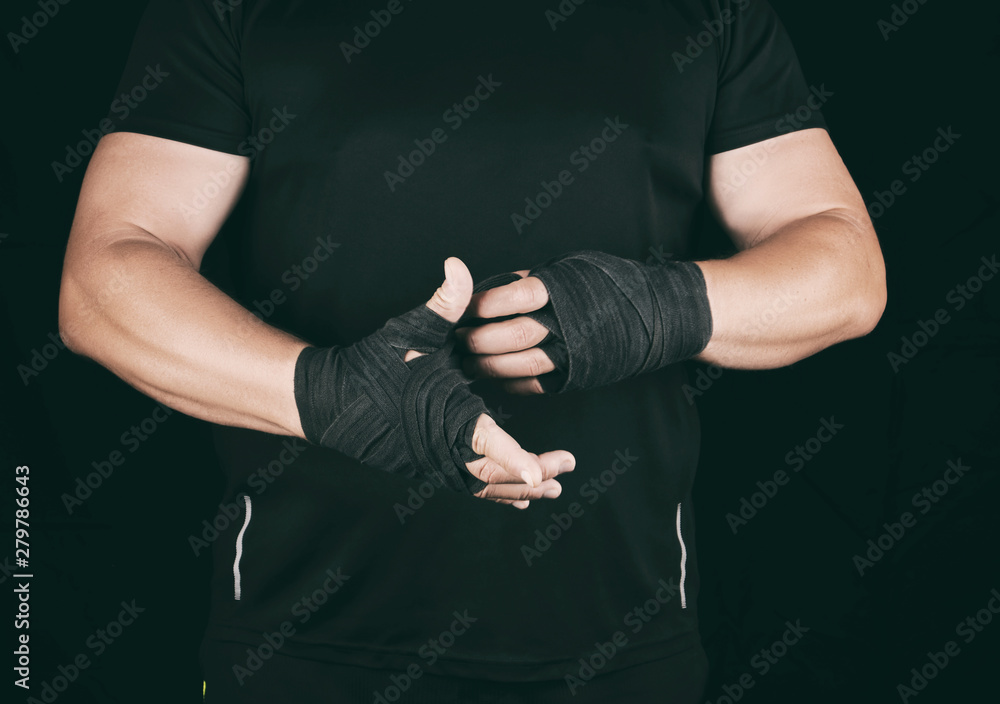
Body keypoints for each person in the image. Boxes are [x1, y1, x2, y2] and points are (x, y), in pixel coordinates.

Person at [58, 0, 886, 701]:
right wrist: (331, 394)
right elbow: (105, 276)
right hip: (300, 640)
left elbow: (845, 270)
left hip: (624, 643)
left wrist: (650, 308)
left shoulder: (710, 9)